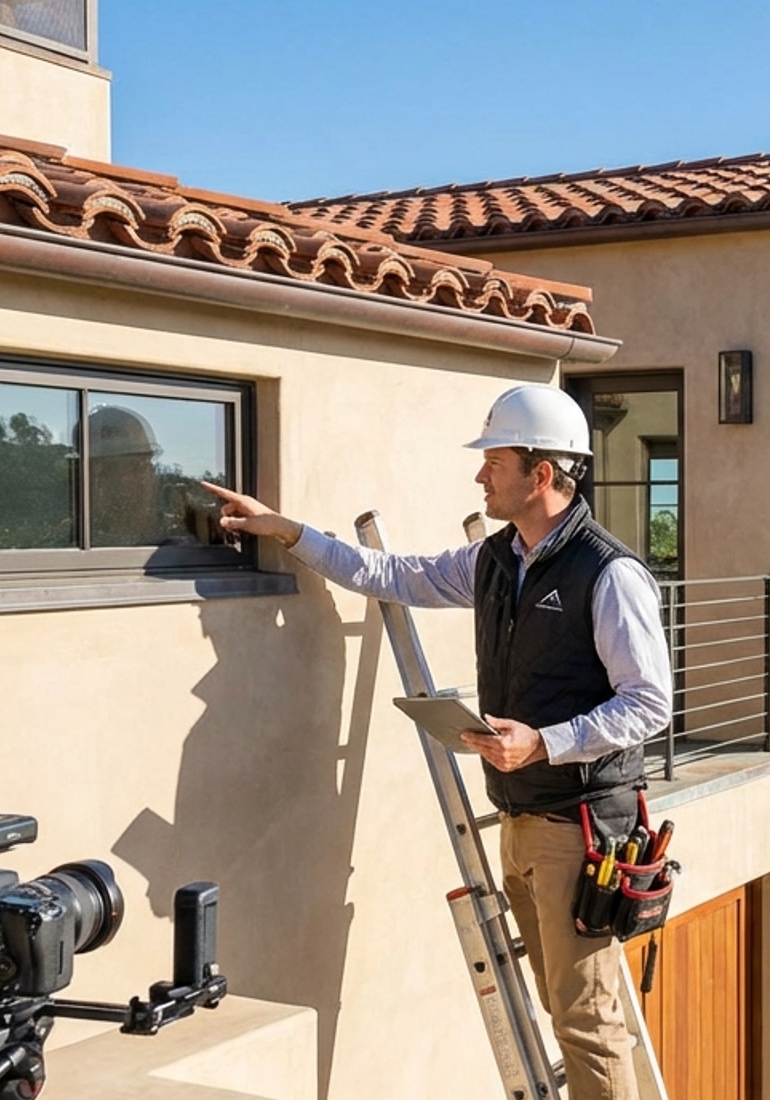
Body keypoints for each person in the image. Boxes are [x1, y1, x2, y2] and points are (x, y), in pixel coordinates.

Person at [202, 384, 669, 1100]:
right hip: (521, 816)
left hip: (580, 830)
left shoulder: (608, 573)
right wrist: (289, 531)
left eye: (494, 461)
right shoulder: (496, 562)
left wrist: (544, 741)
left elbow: (648, 704)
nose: (480, 474)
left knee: (586, 1020)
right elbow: (392, 575)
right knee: (562, 1007)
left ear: (541, 475)